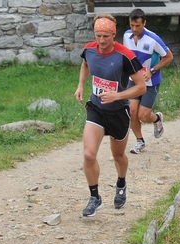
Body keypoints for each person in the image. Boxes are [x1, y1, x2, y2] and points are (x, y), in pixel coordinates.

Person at [74, 14, 146, 216]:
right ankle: (95, 198)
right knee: (89, 155)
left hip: (118, 113)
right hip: (96, 109)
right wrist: (80, 85)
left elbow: (140, 87)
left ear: (113, 35)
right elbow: (86, 64)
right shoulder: (89, 49)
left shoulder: (126, 56)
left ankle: (121, 183)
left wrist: (118, 95)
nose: (101, 41)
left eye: (106, 36)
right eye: (98, 35)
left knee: (118, 155)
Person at [123, 8, 173, 154]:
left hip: (151, 82)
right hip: (133, 80)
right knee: (132, 112)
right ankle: (140, 142)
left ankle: (157, 119)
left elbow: (169, 57)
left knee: (143, 116)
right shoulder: (127, 35)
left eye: (138, 25)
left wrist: (152, 71)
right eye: (132, 25)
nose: (134, 29)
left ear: (144, 23)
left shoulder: (153, 39)